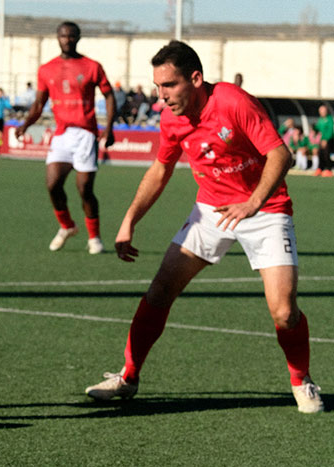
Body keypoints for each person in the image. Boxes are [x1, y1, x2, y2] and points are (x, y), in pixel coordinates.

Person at [84, 40, 323, 414]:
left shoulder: (232, 101)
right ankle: (128, 377)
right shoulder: (170, 118)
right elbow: (160, 169)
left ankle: (301, 381)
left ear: (195, 78)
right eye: (158, 86)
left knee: (283, 312)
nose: (162, 96)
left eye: (170, 85)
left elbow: (281, 154)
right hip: (211, 210)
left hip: (265, 209)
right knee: (160, 290)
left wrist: (252, 203)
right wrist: (129, 220)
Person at [15, 21, 116, 255]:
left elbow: (109, 96)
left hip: (86, 134)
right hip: (61, 134)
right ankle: (67, 226)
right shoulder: (46, 69)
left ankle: (94, 237)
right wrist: (25, 125)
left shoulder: (92, 66)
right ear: (57, 38)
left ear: (78, 38)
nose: (67, 39)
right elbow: (39, 103)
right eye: (63, 36)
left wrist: (109, 127)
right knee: (52, 184)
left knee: (84, 189)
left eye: (71, 36)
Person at [312, 104, 334, 177]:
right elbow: (318, 128)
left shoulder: (329, 119)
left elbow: (331, 131)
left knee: (326, 153)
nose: (322, 112)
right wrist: (314, 128)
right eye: (321, 111)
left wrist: (326, 140)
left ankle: (328, 169)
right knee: (320, 153)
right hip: (322, 140)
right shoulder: (320, 120)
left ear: (326, 111)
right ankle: (320, 168)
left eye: (323, 111)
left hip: (330, 140)